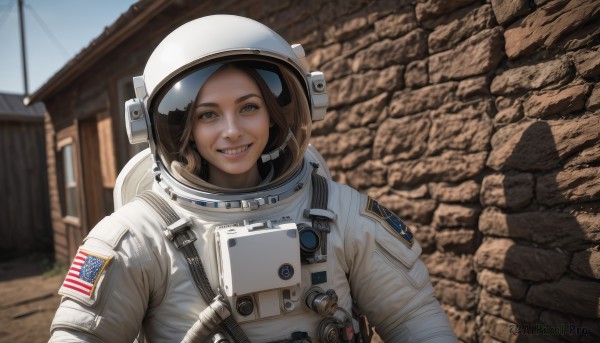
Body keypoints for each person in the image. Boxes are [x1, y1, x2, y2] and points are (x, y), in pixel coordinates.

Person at [49, 15, 457, 343]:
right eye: (208, 114)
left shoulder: (343, 213)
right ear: (181, 127)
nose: (232, 131)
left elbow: (414, 317)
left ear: (276, 114)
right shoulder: (137, 237)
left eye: (249, 107)